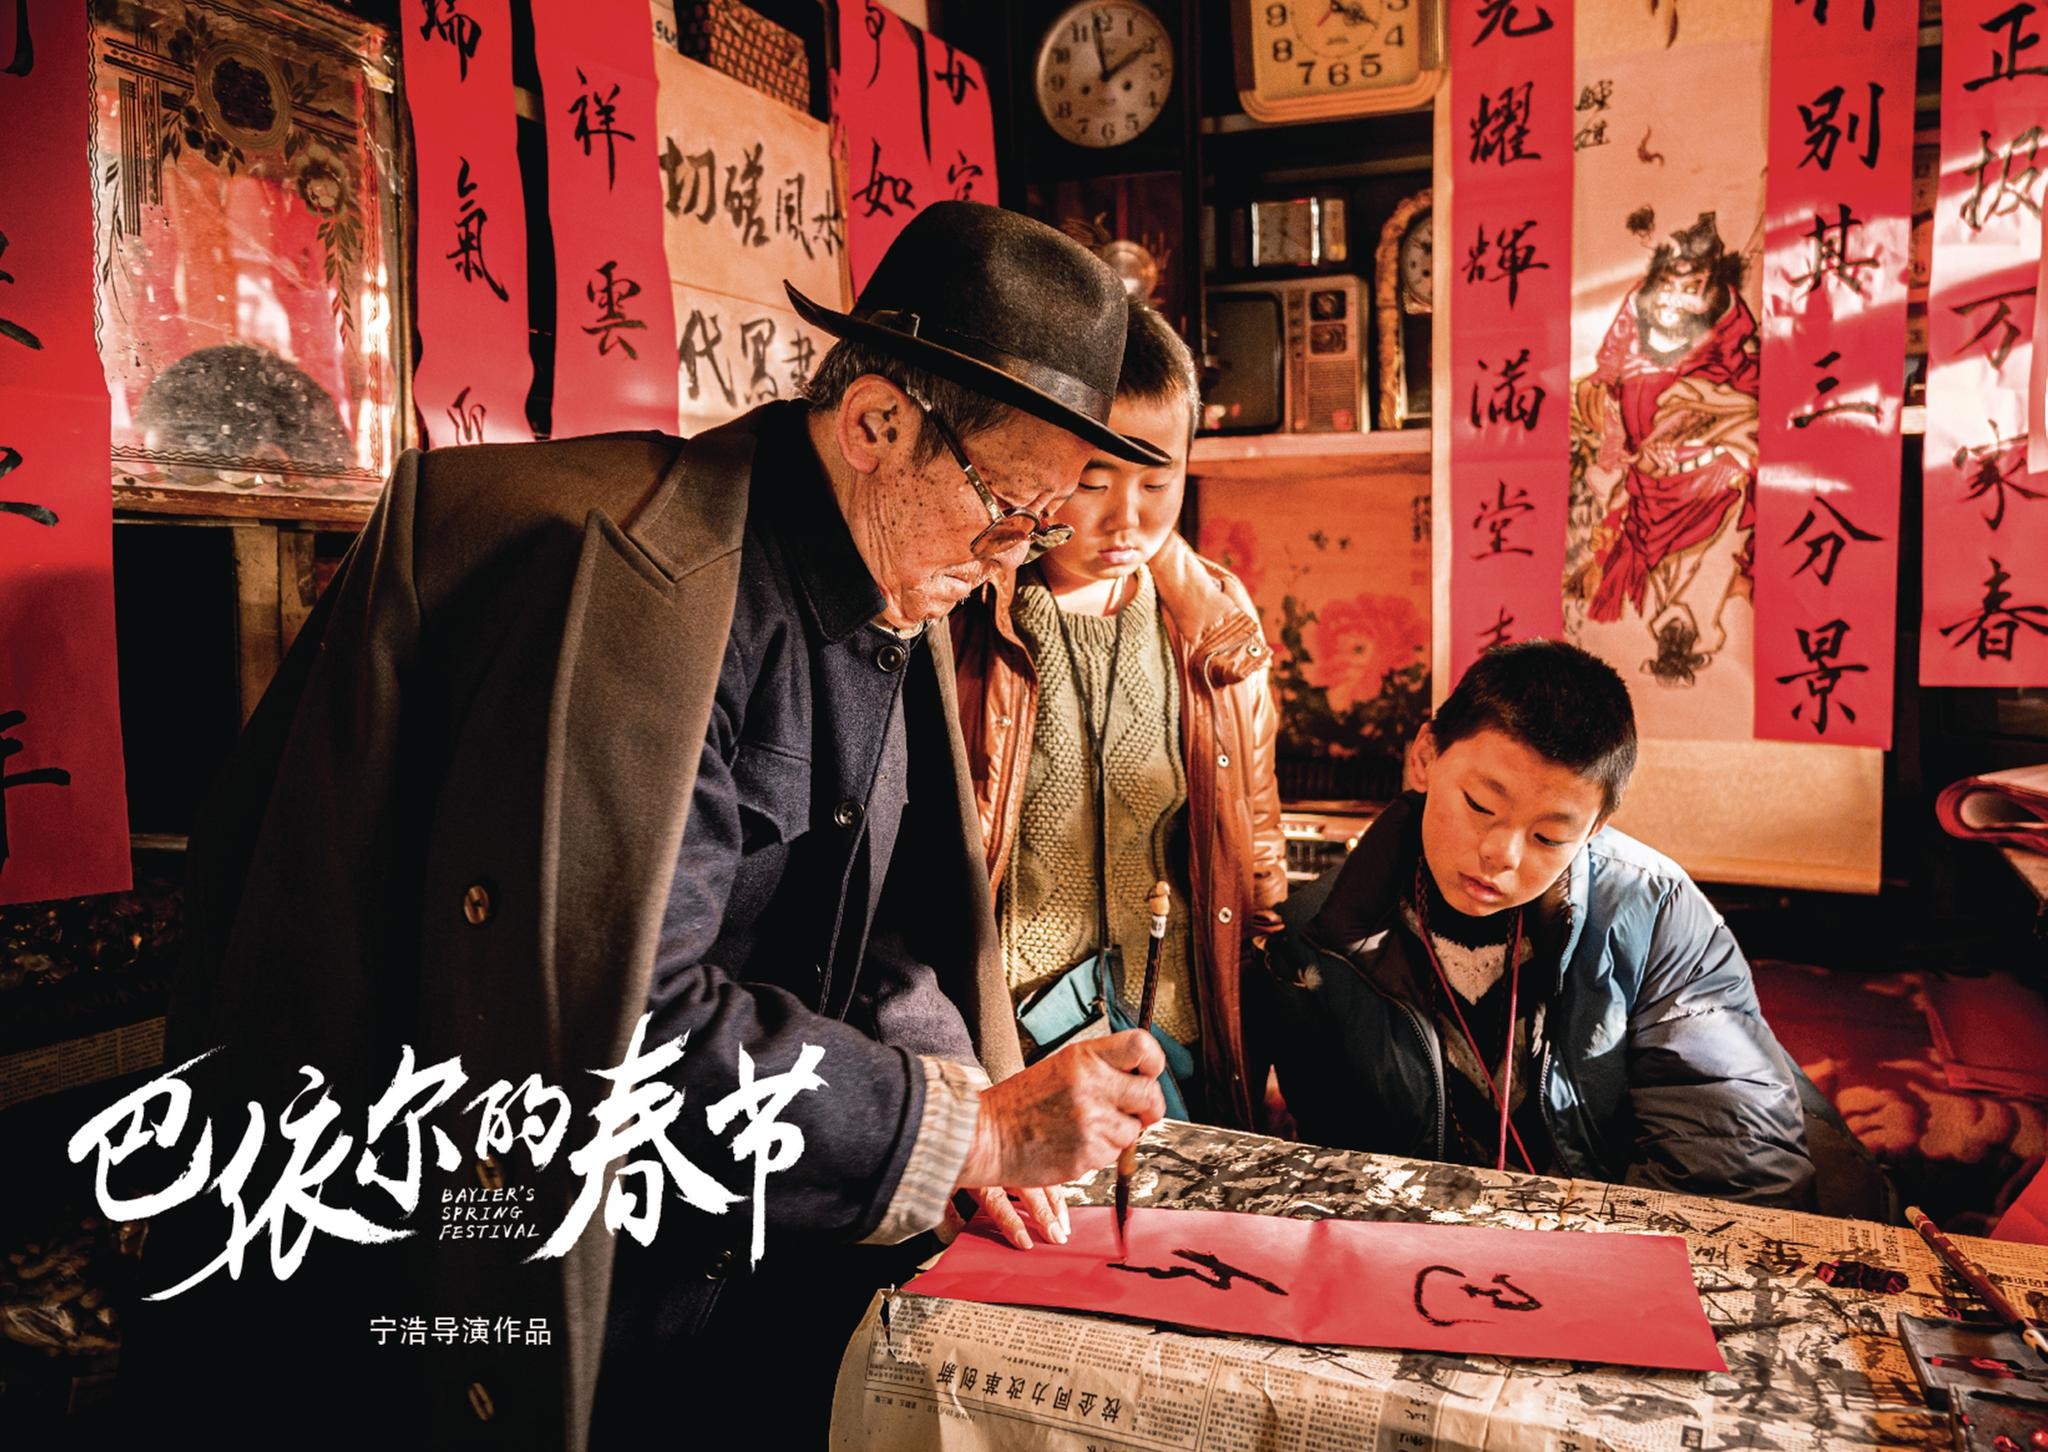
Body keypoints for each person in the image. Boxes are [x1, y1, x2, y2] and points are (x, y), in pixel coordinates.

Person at [128, 202, 1172, 1449]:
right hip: (490, 1252)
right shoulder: (620, 583)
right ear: (877, 425)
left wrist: (949, 1125)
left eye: (1041, 527)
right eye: (1006, 508)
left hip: (723, 1246)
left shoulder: (897, 582)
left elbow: (878, 937)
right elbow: (615, 1017)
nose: (1008, 560)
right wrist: (968, 1131)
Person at [1249, 639, 1816, 1207]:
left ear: (1595, 827)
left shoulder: (1657, 914)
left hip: (1600, 1241)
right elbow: (1342, 1172)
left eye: (1549, 836)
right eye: (1480, 805)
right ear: (1424, 757)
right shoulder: (1319, 938)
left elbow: (1733, 1170)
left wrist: (1579, 1254)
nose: (1502, 854)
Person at [952, 301, 1286, 1134]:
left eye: (1157, 483)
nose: (1126, 520)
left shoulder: (1214, 619)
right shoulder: (964, 613)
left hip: (1175, 1039)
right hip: (1014, 1049)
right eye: (1094, 482)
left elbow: (1256, 849)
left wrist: (1273, 1025)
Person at [1568, 212, 1760, 684]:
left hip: (1709, 467)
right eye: (1671, 282)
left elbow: (1747, 379)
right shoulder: (1639, 301)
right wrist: (1601, 385)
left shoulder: (1727, 311)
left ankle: (1688, 629)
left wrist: (1700, 408)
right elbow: (1611, 355)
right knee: (1644, 556)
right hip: (1645, 471)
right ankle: (1668, 631)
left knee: (1710, 549)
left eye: (1692, 285)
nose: (1677, 297)